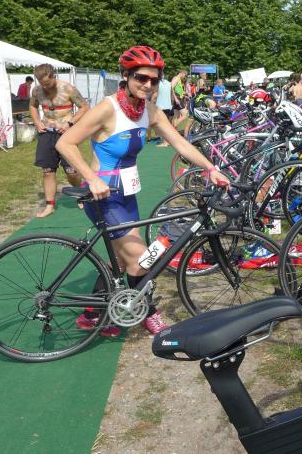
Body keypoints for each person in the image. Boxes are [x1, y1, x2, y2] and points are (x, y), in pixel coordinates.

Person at [56, 45, 229, 336]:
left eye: (154, 80)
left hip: (126, 195)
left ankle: (92, 315)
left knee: (122, 261)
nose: (147, 84)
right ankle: (149, 313)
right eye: (141, 77)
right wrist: (91, 178)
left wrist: (211, 168)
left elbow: (180, 143)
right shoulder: (107, 109)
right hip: (103, 197)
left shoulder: (149, 111)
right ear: (126, 76)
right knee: (141, 260)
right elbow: (65, 143)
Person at [29, 64, 90, 218]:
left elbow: (84, 107)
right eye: (42, 84)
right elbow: (33, 106)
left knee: (71, 171)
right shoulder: (36, 90)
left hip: (66, 134)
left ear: (54, 76)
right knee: (48, 171)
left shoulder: (68, 88)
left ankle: (81, 193)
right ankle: (49, 206)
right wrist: (36, 122)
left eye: (48, 83)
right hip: (46, 133)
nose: (46, 87)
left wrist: (70, 123)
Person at [153, 76, 173, 147]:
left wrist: (151, 104)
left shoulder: (157, 83)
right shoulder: (169, 83)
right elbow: (171, 95)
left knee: (162, 126)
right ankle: (168, 141)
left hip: (160, 107)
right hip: (168, 106)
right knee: (167, 125)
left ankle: (165, 142)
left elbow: (155, 94)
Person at [170, 69, 190, 134]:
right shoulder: (176, 78)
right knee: (185, 114)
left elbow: (178, 90)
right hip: (177, 99)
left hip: (179, 98)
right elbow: (171, 88)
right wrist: (175, 98)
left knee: (176, 116)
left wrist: (185, 94)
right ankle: (173, 128)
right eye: (185, 75)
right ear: (182, 73)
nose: (184, 77)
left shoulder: (178, 79)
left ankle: (174, 132)